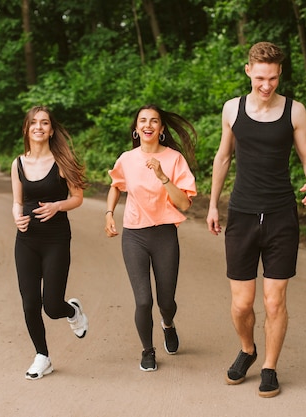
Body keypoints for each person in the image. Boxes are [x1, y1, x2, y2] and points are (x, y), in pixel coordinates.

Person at [206, 42, 306, 397]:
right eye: (260, 78)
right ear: (248, 71)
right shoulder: (232, 109)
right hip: (241, 213)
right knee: (242, 304)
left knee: (274, 301)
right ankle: (247, 349)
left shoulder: (295, 111)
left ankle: (270, 366)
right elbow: (223, 158)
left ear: (280, 73)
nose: (266, 85)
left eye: (272, 78)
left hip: (280, 215)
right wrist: (212, 204)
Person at [105, 104, 197, 372]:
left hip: (165, 234)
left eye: (154, 121)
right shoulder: (126, 158)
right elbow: (116, 186)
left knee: (166, 301)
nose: (148, 125)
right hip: (134, 235)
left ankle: (167, 324)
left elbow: (185, 204)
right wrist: (109, 213)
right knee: (144, 300)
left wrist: (162, 176)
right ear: (136, 128)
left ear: (161, 128)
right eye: (142, 121)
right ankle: (148, 350)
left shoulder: (174, 159)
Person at [11, 105, 89, 380]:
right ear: (26, 129)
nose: (39, 127)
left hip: (56, 239)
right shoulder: (18, 163)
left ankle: (73, 311)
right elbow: (17, 202)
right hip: (26, 240)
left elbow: (77, 198)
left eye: (44, 123)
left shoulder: (63, 161)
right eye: (34, 123)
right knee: (29, 303)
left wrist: (58, 206)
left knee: (52, 306)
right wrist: (16, 218)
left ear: (51, 130)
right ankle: (42, 356)